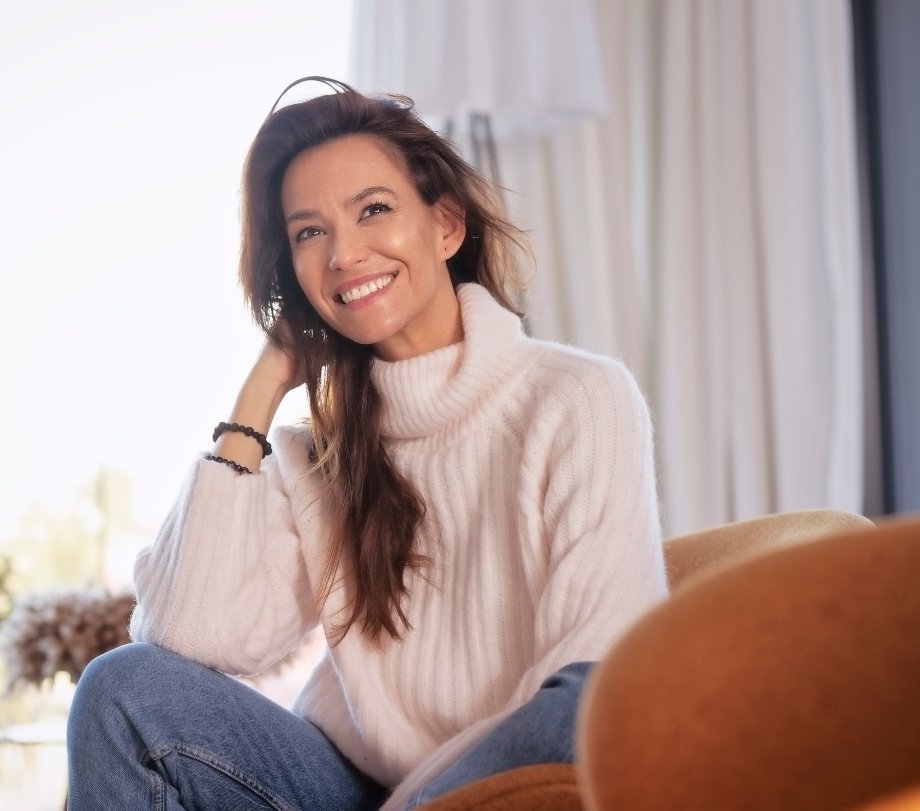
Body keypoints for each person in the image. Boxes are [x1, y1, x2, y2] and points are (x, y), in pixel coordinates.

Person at [66, 77, 668, 810]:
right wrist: (259, 394)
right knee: (123, 688)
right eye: (309, 233)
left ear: (446, 227)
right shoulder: (318, 457)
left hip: (504, 775)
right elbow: (190, 633)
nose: (344, 254)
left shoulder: (577, 398)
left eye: (373, 210)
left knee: (585, 699)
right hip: (337, 787)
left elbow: (596, 675)